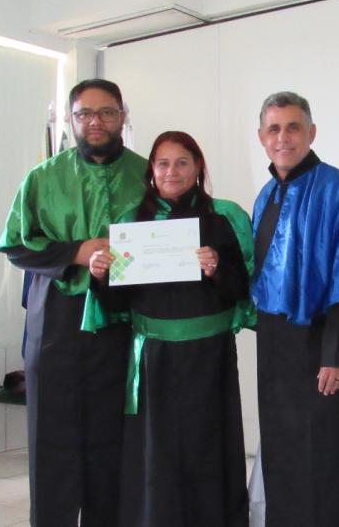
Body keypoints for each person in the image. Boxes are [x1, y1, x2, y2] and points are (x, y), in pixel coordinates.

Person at [0, 79, 147, 526]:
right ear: (71, 119)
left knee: (113, 443)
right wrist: (76, 253)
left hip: (124, 324)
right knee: (52, 443)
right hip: (56, 327)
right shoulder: (42, 178)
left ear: (123, 116)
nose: (95, 122)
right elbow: (16, 246)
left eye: (106, 112)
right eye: (84, 114)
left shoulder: (148, 174)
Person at [82, 131, 253, 527]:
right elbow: (118, 306)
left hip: (209, 356)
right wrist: (101, 276)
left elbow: (244, 291)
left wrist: (217, 270)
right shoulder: (130, 222)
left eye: (182, 162)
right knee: (154, 451)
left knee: (208, 447)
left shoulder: (226, 217)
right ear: (151, 171)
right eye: (162, 163)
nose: (171, 171)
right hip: (153, 357)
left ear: (198, 168)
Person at [252, 91, 339, 527]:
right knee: (282, 455)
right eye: (274, 128)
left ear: (311, 132)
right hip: (275, 351)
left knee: (327, 459)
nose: (284, 137)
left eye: (293, 127)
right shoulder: (265, 194)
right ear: (262, 137)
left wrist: (338, 356)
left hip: (321, 347)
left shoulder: (338, 188)